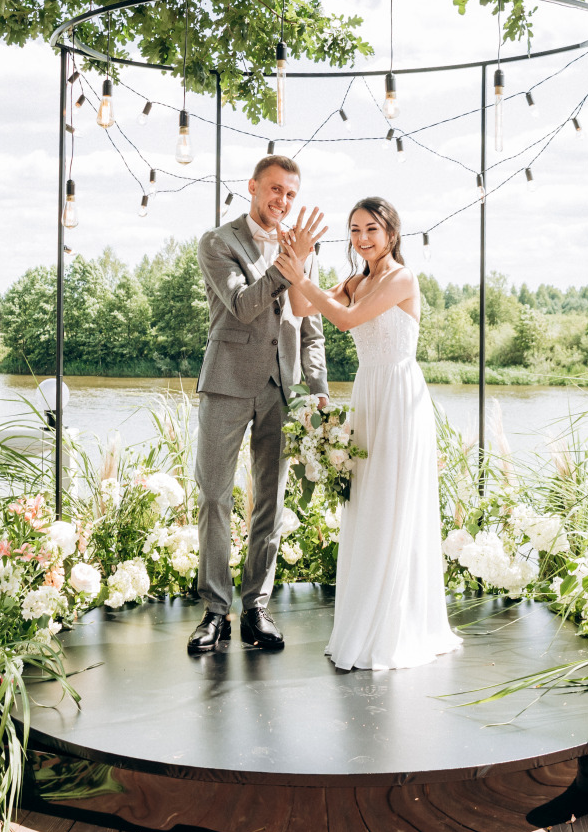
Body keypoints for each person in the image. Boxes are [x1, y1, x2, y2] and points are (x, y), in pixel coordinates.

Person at [276, 198, 462, 671]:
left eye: (371, 229)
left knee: (393, 499)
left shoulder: (401, 278)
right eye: (355, 229)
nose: (362, 238)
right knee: (367, 501)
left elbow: (346, 319)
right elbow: (301, 306)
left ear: (392, 234)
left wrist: (303, 280)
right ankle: (366, 617)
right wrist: (302, 258)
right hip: (368, 391)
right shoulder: (358, 279)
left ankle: (397, 624)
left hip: (399, 394)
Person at [188, 155, 329, 654]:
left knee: (271, 501)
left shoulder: (305, 250)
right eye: (274, 190)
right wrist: (286, 265)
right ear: (252, 187)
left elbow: (311, 331)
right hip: (227, 382)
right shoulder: (218, 242)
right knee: (214, 496)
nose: (282, 201)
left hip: (282, 390)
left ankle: (256, 607)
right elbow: (244, 306)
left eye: (291, 194)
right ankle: (213, 610)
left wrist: (318, 391)